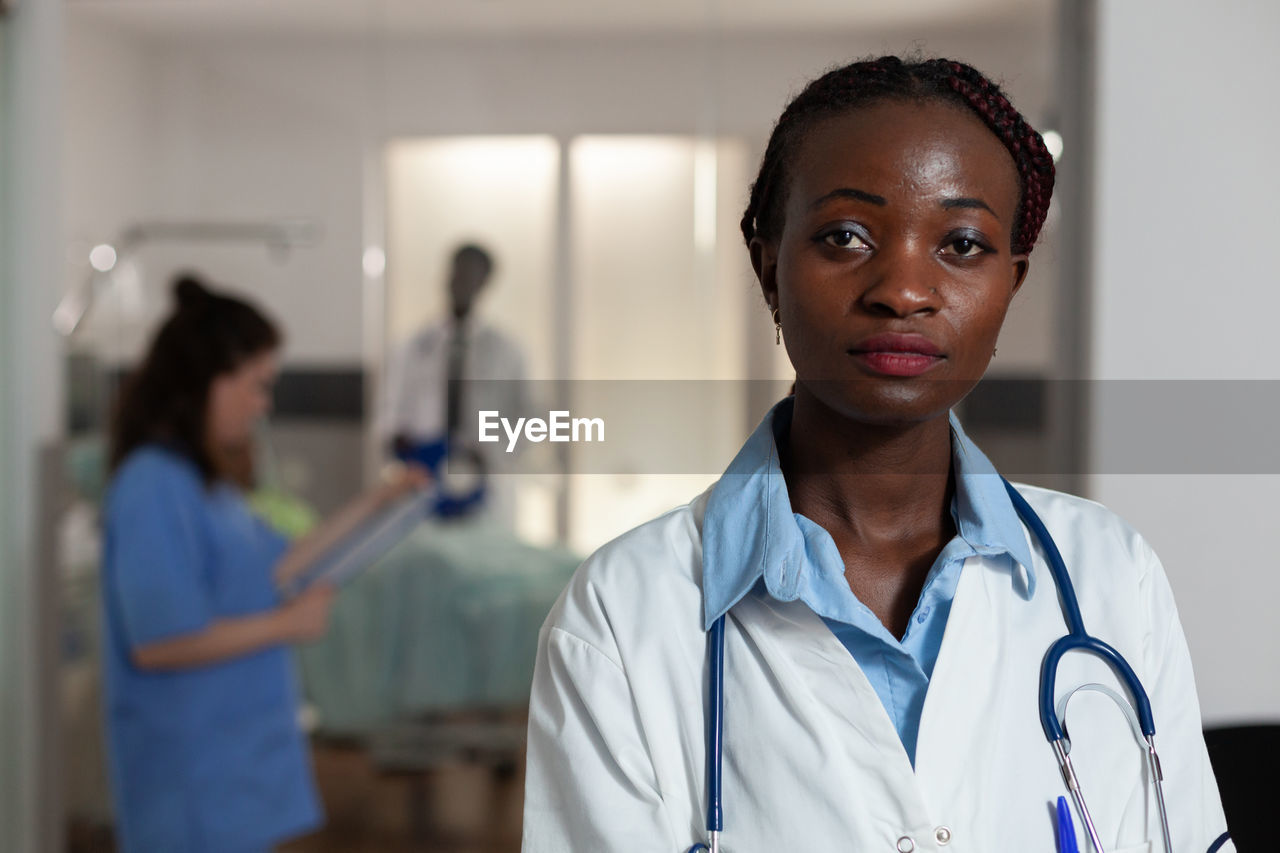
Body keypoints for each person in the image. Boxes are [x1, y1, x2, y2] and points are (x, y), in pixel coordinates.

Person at [522, 57, 1234, 852]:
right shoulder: (621, 616)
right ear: (768, 264)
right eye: (846, 236)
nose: (902, 288)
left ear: (1011, 284)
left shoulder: (1112, 575)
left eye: (961, 244)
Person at [101, 275, 425, 852]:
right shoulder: (151, 485)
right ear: (208, 382)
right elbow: (159, 642)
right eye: (256, 387)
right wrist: (288, 625)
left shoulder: (204, 486)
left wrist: (378, 503)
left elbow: (278, 566)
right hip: (190, 777)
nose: (263, 406)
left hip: (232, 768)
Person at [379, 243, 527, 521]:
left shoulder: (507, 350)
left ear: (485, 284)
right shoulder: (412, 347)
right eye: (459, 273)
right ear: (446, 275)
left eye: (473, 276)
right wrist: (408, 447)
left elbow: (528, 416)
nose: (463, 283)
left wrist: (487, 454)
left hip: (486, 484)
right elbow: (388, 416)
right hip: (422, 479)